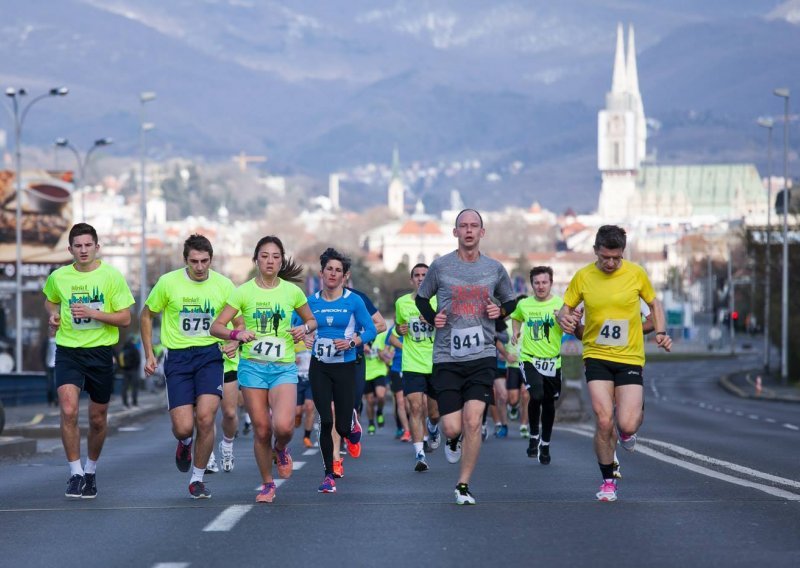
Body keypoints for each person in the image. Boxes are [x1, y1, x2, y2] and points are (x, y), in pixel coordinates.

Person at [556, 225, 672, 502]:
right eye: (605, 257)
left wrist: (661, 332)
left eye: (616, 258)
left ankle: (628, 427)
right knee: (604, 419)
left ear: (622, 254)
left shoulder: (635, 274)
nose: (610, 263)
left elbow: (655, 305)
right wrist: (565, 318)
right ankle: (608, 480)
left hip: (630, 356)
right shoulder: (583, 276)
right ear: (596, 250)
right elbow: (566, 308)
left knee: (627, 423)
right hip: (596, 355)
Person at [415, 209, 516, 505]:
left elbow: (509, 300)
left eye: (474, 226)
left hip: (482, 355)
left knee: (473, 422)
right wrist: (434, 318)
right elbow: (422, 297)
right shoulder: (440, 267)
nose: (469, 231)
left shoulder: (494, 269)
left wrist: (502, 311)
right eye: (464, 226)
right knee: (453, 426)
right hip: (447, 356)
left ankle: (463, 485)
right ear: (455, 232)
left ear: (482, 233)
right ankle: (451, 439)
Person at [211, 235, 316, 503]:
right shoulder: (243, 291)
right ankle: (267, 484)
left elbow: (311, 321)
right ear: (256, 259)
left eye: (275, 256)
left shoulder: (291, 291)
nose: (270, 261)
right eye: (265, 256)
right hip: (252, 368)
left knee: (283, 427)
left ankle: (281, 449)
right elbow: (217, 327)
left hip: (282, 367)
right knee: (261, 429)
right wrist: (237, 335)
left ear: (282, 261)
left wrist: (303, 329)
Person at [43, 223, 135, 499]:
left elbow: (125, 318)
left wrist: (94, 314)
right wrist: (54, 314)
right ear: (70, 249)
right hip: (68, 352)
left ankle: (91, 470)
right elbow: (50, 300)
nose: (83, 250)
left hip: (100, 352)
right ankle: (75, 473)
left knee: (97, 418)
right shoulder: (59, 276)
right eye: (78, 246)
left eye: (88, 245)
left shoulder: (111, 276)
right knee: (69, 410)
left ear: (97, 247)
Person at [141, 234, 236, 499]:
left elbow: (239, 323)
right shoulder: (168, 283)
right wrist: (149, 354)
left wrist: (235, 343)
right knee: (184, 427)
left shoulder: (224, 285)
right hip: (179, 357)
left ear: (211, 260)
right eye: (194, 261)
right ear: (185, 260)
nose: (200, 267)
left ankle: (197, 479)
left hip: (210, 355)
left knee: (206, 417)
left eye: (205, 261)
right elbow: (147, 315)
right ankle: (184, 443)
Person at [306, 248, 377, 494]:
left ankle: (352, 425)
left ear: (345, 276)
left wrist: (351, 342)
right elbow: (299, 326)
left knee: (343, 428)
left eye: (338, 270)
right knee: (326, 420)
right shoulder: (311, 301)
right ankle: (328, 475)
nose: (333, 274)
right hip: (320, 367)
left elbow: (371, 330)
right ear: (321, 273)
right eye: (329, 269)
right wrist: (304, 336)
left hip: (346, 366)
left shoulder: (353, 301)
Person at [511, 267, 564, 464]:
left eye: (544, 282)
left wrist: (566, 319)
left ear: (551, 283)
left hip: (553, 361)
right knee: (536, 394)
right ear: (531, 284)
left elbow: (571, 324)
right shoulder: (524, 304)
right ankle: (534, 435)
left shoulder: (561, 304)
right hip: (529, 359)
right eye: (537, 283)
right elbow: (516, 317)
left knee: (549, 402)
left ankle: (545, 444)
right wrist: (516, 332)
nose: (540, 286)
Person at [394, 263, 441, 472]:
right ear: (411, 280)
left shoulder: (439, 300)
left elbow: (448, 327)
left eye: (425, 275)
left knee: (434, 412)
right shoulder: (401, 302)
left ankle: (432, 428)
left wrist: (433, 321)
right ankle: (419, 454)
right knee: (415, 407)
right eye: (417, 275)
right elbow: (398, 326)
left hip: (435, 361)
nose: (421, 278)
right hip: (412, 361)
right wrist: (399, 328)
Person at [386, 326, 411, 441]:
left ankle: (417, 428)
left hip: (413, 368)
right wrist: (386, 355)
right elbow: (386, 349)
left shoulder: (417, 324)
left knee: (410, 404)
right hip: (397, 368)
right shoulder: (394, 330)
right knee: (400, 402)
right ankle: (406, 431)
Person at [363, 329, 390, 435]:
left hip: (380, 370)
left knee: (381, 396)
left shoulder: (382, 336)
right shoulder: (362, 336)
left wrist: (382, 354)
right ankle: (371, 423)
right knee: (369, 401)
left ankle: (379, 411)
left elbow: (388, 356)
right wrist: (361, 348)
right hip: (366, 373)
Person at [119, 336, 141, 407]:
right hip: (133, 370)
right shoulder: (134, 348)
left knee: (124, 387)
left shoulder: (123, 348)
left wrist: (122, 368)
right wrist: (136, 367)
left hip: (125, 371)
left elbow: (119, 358)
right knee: (134, 387)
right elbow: (138, 359)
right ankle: (134, 402)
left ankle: (125, 403)